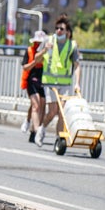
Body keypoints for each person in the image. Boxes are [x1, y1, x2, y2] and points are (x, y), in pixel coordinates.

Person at [35, 16, 81, 147]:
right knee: (53, 111)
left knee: (62, 112)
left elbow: (77, 65)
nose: (58, 31)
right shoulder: (48, 41)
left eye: (61, 29)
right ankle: (41, 129)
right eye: (56, 28)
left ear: (67, 32)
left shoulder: (72, 45)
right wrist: (44, 50)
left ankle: (59, 139)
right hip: (50, 82)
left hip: (65, 83)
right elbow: (36, 59)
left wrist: (77, 83)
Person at [21, 30, 47, 143]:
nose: (38, 44)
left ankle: (34, 130)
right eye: (37, 42)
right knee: (35, 104)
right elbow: (25, 67)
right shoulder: (29, 51)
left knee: (42, 104)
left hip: (44, 79)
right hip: (32, 78)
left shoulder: (47, 52)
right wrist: (34, 63)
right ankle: (35, 130)